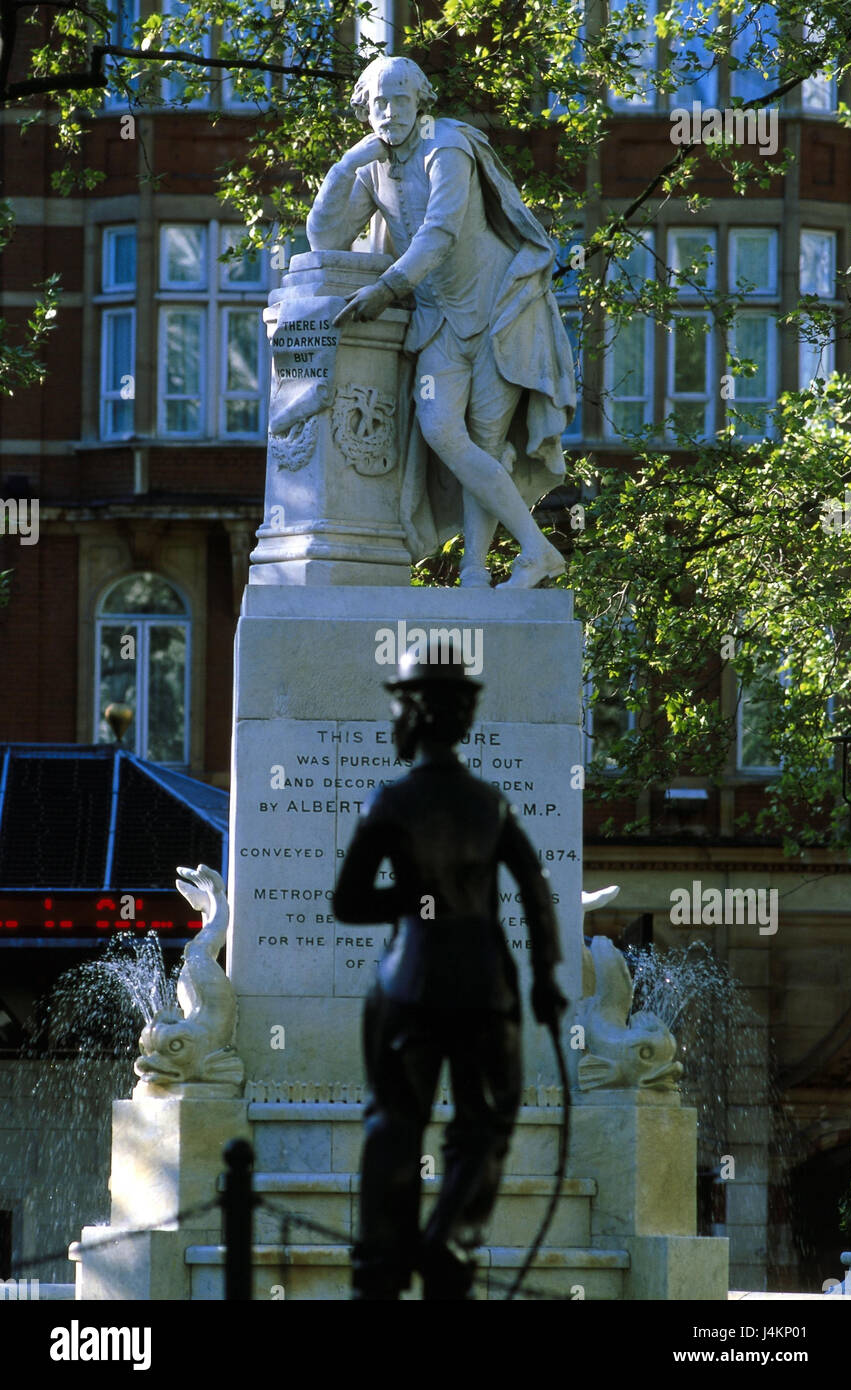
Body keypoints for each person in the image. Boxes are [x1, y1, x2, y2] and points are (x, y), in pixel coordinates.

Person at [332, 650, 567, 1299]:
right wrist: (546, 976)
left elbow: (348, 902)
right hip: (485, 986)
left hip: (409, 981)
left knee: (393, 1125)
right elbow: (535, 890)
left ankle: (380, 1269)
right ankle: (450, 1244)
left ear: (413, 712)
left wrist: (411, 901)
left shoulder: (391, 800)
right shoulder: (489, 805)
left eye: (397, 707)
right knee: (485, 1126)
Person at [307, 55, 577, 589]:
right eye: (378, 104)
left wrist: (387, 289)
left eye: (399, 101)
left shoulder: (447, 144)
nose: (389, 113)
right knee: (441, 430)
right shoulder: (372, 163)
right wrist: (343, 167)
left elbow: (440, 232)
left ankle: (476, 573)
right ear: (367, 111)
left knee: (485, 438)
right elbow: (325, 239)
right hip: (438, 320)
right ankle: (538, 550)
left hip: (499, 310)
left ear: (420, 102)